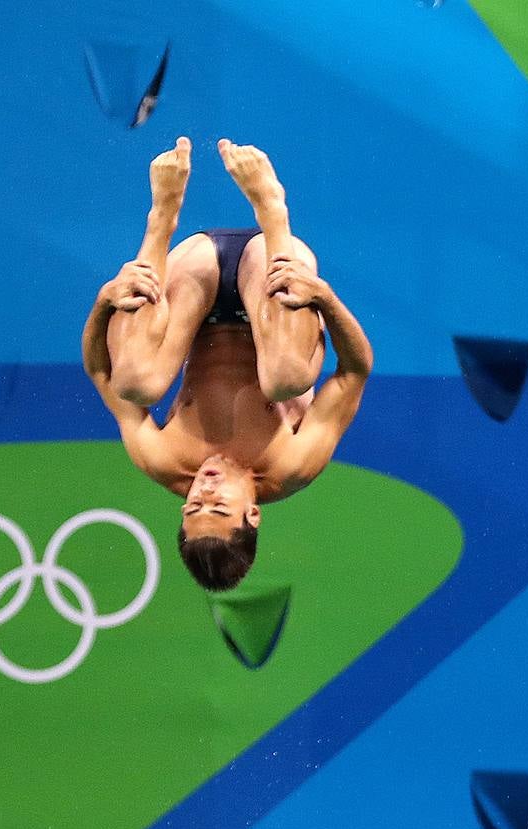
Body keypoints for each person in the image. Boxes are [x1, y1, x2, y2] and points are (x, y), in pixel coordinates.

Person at [81, 137, 373, 591]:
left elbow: (101, 374)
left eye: (194, 507)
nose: (205, 491)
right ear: (252, 514)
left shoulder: (163, 460)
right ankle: (272, 207)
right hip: (272, 273)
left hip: (195, 283)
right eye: (219, 507)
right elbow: (354, 371)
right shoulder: (293, 464)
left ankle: (160, 218)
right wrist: (324, 298)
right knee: (286, 379)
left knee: (136, 383)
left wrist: (105, 301)